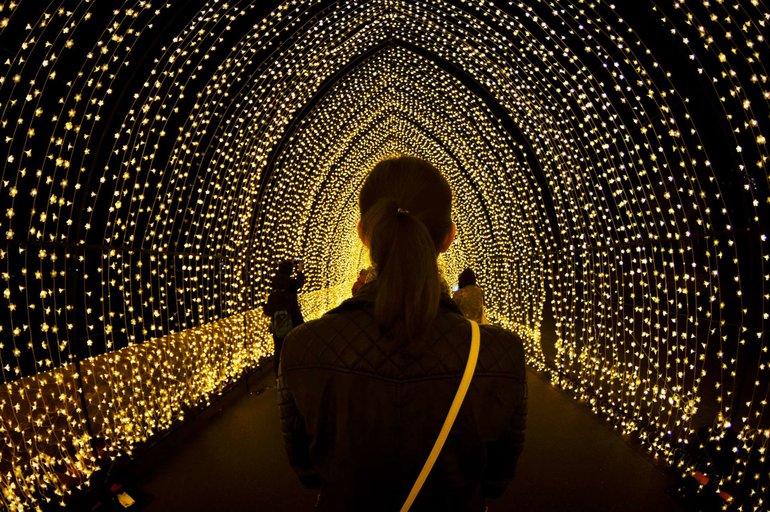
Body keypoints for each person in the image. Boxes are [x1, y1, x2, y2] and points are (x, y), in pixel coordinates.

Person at [278, 156, 527, 511]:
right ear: (449, 236)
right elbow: (496, 479)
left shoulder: (302, 347)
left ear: (363, 233)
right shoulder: (499, 353)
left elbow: (308, 472)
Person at [264, 259, 305, 377]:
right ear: (289, 271)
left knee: (278, 350)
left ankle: (278, 375)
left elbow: (268, 311)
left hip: (278, 327)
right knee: (295, 347)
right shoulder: (291, 286)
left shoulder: (273, 292)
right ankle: (296, 372)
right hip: (294, 323)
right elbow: (300, 282)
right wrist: (300, 270)